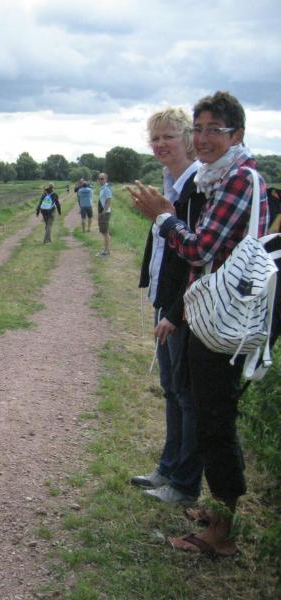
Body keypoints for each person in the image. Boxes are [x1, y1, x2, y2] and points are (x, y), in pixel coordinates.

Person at [129, 91, 268, 557]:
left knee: (214, 422)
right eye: (201, 129)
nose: (205, 138)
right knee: (208, 417)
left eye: (215, 130)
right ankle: (216, 513)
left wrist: (165, 219)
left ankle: (221, 533)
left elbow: (201, 249)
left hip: (224, 321)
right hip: (208, 314)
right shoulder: (219, 177)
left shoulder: (238, 180)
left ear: (237, 135)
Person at [131, 108, 205, 506]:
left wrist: (176, 310)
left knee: (186, 394)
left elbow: (198, 257)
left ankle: (184, 484)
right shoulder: (170, 182)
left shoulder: (197, 186)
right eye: (155, 137)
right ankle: (168, 468)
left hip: (187, 306)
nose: (160, 144)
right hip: (167, 299)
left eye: (168, 137)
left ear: (188, 138)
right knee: (171, 389)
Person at [97, 172, 113, 255]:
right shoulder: (102, 188)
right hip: (102, 213)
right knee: (104, 232)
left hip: (105, 213)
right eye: (99, 178)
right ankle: (106, 249)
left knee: (105, 232)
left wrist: (103, 212)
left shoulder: (107, 188)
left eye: (102, 178)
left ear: (106, 179)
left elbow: (109, 201)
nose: (100, 180)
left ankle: (106, 251)